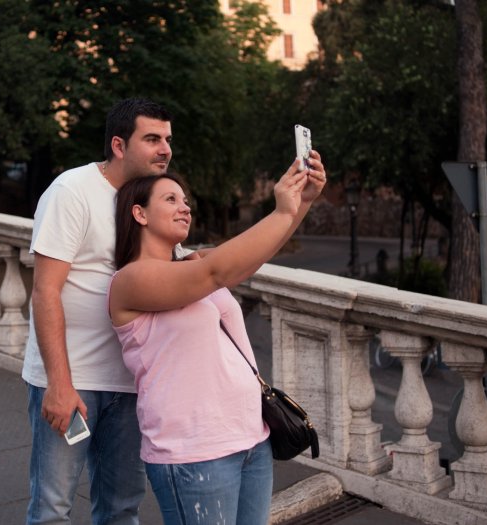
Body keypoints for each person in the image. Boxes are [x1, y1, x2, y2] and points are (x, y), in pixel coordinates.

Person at [108, 153, 327, 525]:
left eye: (186, 201)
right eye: (171, 200)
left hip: (250, 439)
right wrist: (279, 211)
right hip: (194, 453)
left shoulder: (192, 262)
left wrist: (301, 203)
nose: (185, 208)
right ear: (139, 214)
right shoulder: (130, 281)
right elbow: (217, 272)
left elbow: (252, 255)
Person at [22, 98, 174, 525]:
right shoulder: (72, 191)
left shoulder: (148, 200)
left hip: (131, 385)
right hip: (74, 384)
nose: (164, 149)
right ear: (119, 145)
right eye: (152, 139)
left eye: (167, 139)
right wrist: (59, 384)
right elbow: (45, 292)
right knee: (53, 508)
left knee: (122, 509)